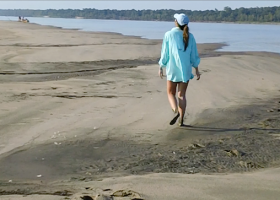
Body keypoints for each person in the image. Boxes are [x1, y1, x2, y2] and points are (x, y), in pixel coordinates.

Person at [158, 13, 201, 126]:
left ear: (176, 22)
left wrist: (161, 66)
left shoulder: (169, 34)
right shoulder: (190, 36)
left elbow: (165, 53)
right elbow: (194, 55)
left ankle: (175, 110)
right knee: (181, 95)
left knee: (170, 93)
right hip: (185, 70)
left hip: (172, 69)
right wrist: (196, 69)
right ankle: (181, 120)